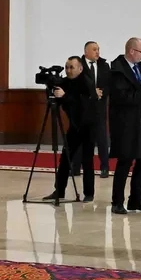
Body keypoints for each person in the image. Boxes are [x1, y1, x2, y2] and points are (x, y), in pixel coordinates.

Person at [107, 38, 141, 214]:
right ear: (131, 51)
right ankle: (117, 202)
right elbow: (122, 97)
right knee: (126, 160)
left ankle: (136, 200)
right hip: (126, 123)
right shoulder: (117, 70)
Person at [43, 54, 98, 203]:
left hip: (89, 126)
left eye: (71, 67)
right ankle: (59, 191)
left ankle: (89, 193)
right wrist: (51, 89)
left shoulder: (87, 82)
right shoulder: (65, 82)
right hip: (74, 126)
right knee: (65, 159)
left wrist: (65, 95)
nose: (68, 70)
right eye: (66, 67)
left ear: (80, 68)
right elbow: (58, 100)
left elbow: (82, 105)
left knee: (87, 160)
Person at [83, 40, 110, 176]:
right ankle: (75, 167)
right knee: (81, 138)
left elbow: (109, 84)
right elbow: (76, 84)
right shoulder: (78, 65)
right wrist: (92, 92)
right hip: (83, 108)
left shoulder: (104, 66)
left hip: (99, 108)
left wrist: (101, 93)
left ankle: (104, 167)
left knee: (102, 139)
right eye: (94, 49)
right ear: (86, 52)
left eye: (98, 49)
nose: (97, 52)